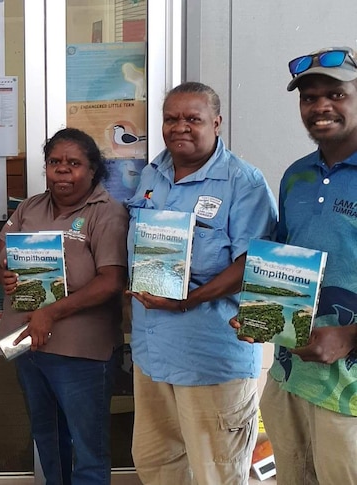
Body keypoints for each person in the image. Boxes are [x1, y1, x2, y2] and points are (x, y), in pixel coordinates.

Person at [125, 82, 277, 485]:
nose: (180, 127)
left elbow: (253, 263)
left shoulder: (244, 183)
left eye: (193, 118)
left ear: (217, 122)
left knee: (216, 473)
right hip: (152, 356)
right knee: (158, 466)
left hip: (210, 361)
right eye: (171, 118)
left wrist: (187, 300)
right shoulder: (151, 173)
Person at [235, 46, 357, 484]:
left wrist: (350, 334)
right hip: (290, 376)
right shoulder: (297, 175)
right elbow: (287, 260)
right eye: (309, 97)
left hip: (349, 394)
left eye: (336, 94)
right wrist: (261, 313)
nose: (320, 106)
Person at [0, 127, 129, 484]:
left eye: (74, 163)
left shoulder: (106, 213)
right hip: (30, 345)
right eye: (54, 162)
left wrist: (51, 312)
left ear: (93, 169)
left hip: (81, 354)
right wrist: (0, 274)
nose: (62, 170)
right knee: (49, 440)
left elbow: (111, 280)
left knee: (88, 448)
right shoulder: (31, 207)